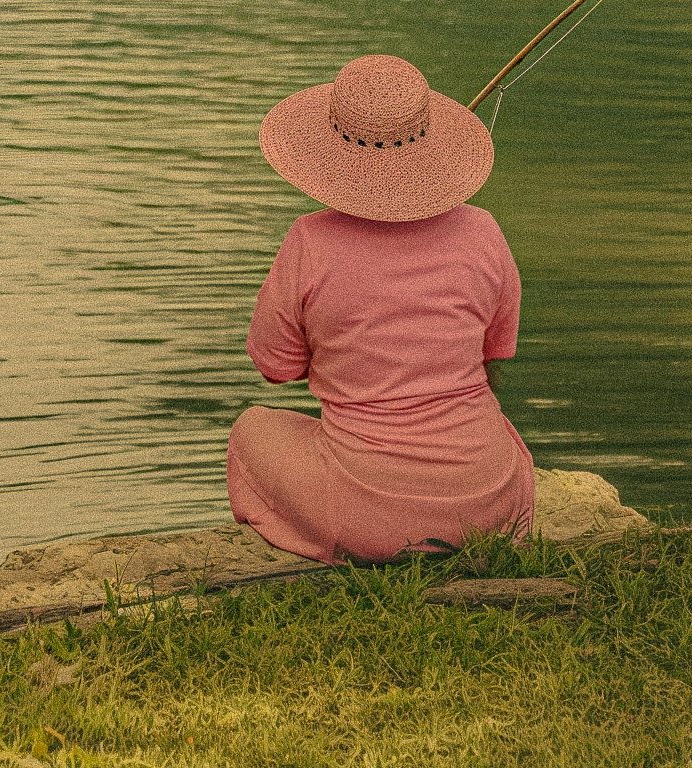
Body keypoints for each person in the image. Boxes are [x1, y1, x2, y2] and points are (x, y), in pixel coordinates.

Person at [227, 53, 534, 564]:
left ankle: (346, 536)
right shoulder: (483, 230)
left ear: (326, 151)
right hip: (490, 505)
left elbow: (274, 365)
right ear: (429, 142)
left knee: (252, 428)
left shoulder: (310, 241)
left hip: (366, 516)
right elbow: (493, 353)